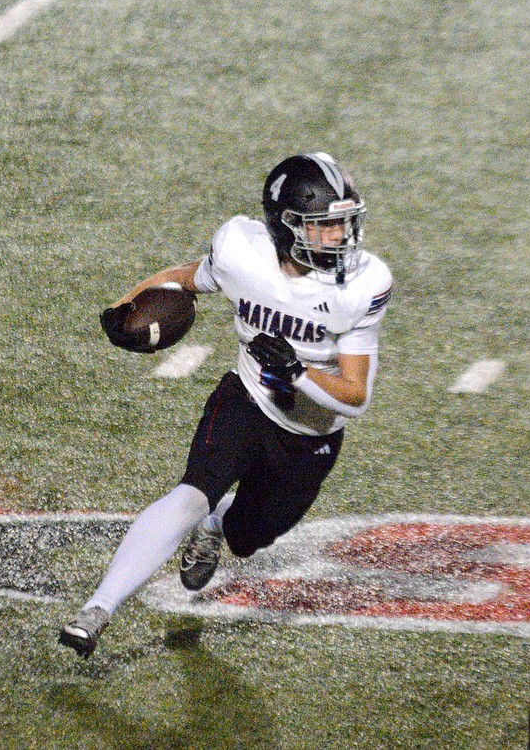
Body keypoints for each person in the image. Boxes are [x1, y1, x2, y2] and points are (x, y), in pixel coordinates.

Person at [59, 152, 393, 658]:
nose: (339, 237)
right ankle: (98, 608)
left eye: (343, 223)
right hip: (245, 400)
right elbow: (185, 278)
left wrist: (299, 372)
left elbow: (356, 395)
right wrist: (125, 307)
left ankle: (215, 524)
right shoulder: (242, 252)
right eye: (323, 225)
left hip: (309, 438)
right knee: (192, 491)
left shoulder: (362, 286)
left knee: (248, 536)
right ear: (285, 226)